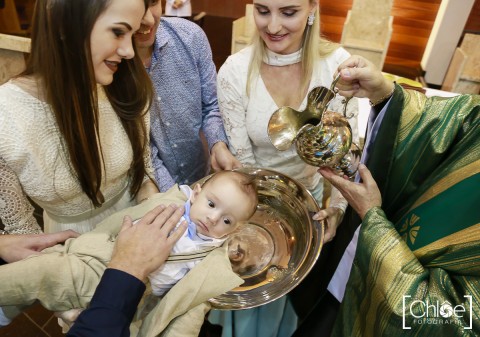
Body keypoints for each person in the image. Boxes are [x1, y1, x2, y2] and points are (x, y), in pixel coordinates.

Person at [296, 55, 480, 336]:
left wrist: (375, 222)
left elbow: (450, 321)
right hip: (353, 257)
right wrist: (385, 95)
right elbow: (459, 121)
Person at [209, 0, 360, 336]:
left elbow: (345, 149)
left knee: (297, 305)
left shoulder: (336, 66)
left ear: (311, 9)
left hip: (313, 205)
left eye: (288, 12)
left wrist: (335, 208)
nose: (273, 26)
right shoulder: (235, 70)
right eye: (263, 11)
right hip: (255, 206)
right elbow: (242, 160)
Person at [0, 171, 257, 330]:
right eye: (212, 204)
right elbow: (120, 222)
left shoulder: (210, 256)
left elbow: (193, 300)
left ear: (235, 230)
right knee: (41, 270)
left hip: (135, 303)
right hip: (101, 268)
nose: (213, 219)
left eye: (226, 221)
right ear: (196, 193)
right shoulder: (169, 207)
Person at [0, 0, 158, 235]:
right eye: (118, 32)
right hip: (66, 252)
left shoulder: (123, 84)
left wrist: (152, 214)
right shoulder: (7, 115)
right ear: (64, 24)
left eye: (132, 34)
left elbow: (143, 170)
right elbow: (22, 231)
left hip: (135, 226)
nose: (129, 51)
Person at [134, 0, 240, 192]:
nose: (148, 20)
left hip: (202, 173)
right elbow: (141, 148)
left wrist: (218, 145)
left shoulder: (190, 37)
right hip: (152, 190)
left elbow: (211, 105)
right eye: (137, 8)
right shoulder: (113, 64)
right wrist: (177, 197)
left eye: (153, 3)